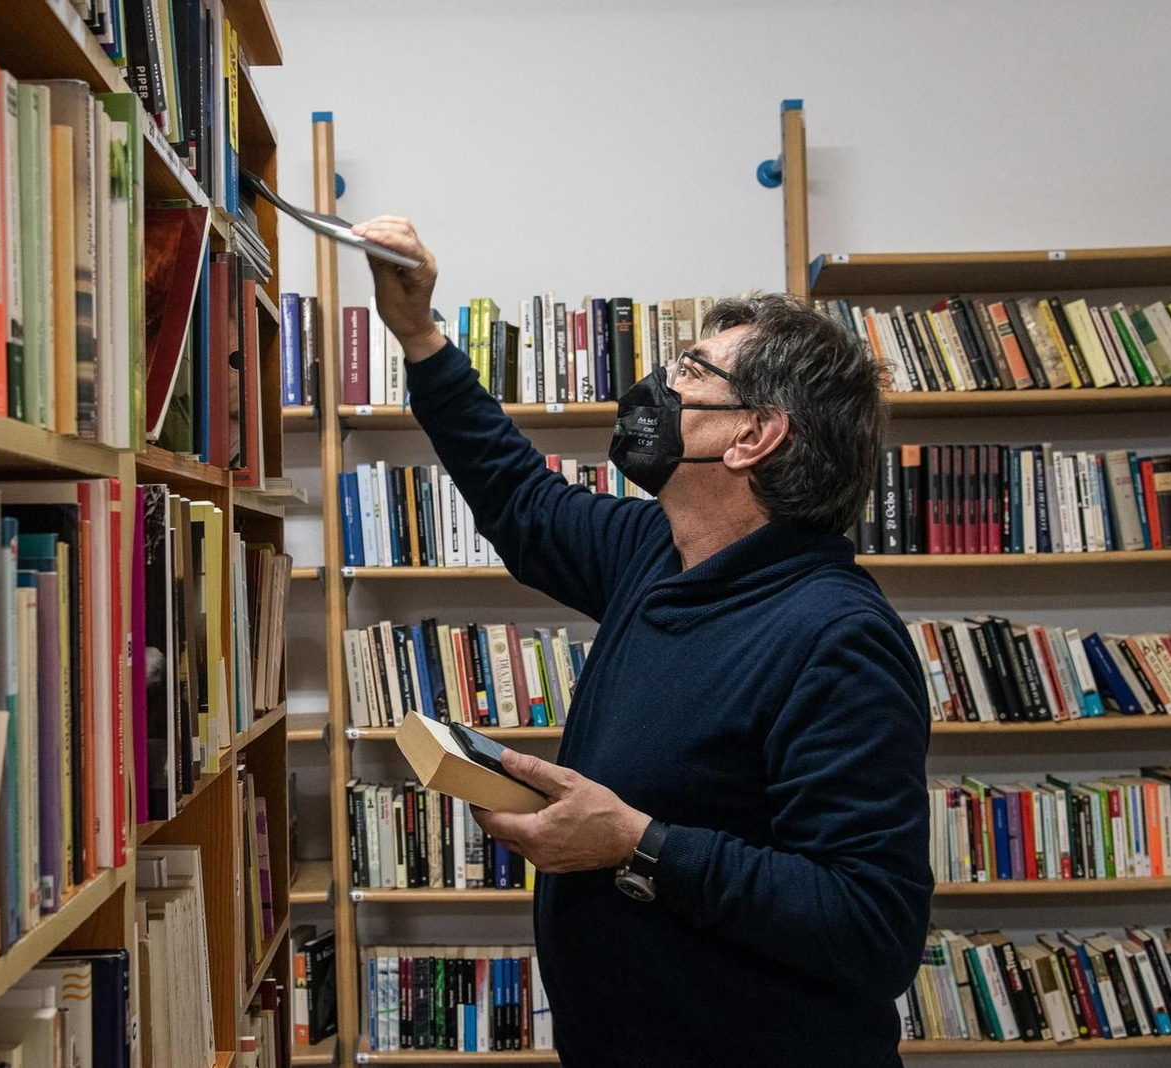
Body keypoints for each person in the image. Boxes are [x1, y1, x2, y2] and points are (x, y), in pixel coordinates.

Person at [351, 216, 933, 1066]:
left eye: (692, 371)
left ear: (753, 436)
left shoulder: (836, 635)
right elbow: (519, 497)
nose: (659, 382)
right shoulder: (655, 552)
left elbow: (870, 924)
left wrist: (640, 845)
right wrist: (421, 336)